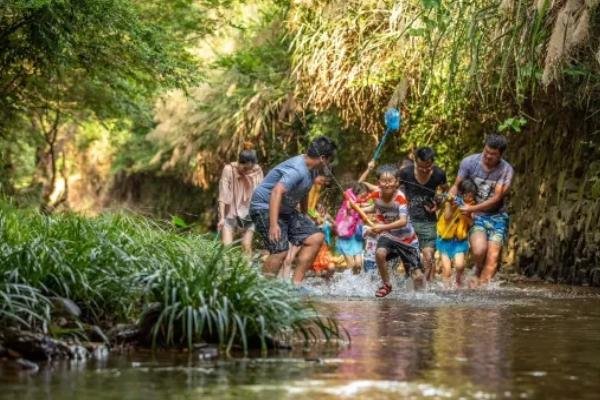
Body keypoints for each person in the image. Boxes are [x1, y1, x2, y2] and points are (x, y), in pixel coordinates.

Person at [249, 136, 337, 285]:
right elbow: (277, 191)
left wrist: (304, 215)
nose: (329, 164)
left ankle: (295, 287)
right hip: (263, 206)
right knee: (280, 251)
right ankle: (261, 290)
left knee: (316, 237)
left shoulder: (313, 170)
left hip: (286, 209)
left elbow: (304, 190)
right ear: (323, 158)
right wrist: (273, 224)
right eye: (329, 160)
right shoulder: (298, 170)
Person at [449, 134, 514, 286]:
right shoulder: (469, 162)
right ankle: (477, 270)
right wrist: (450, 200)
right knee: (479, 250)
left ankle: (483, 294)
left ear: (501, 154)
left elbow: (497, 197)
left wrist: (472, 207)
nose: (488, 156)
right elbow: (457, 186)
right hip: (476, 217)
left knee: (493, 258)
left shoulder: (506, 170)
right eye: (486, 152)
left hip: (497, 216)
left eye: (493, 154)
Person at [361, 164, 424, 297]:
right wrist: (354, 207)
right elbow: (376, 207)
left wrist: (380, 227)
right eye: (384, 181)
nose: (387, 184)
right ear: (378, 183)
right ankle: (387, 284)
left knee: (416, 277)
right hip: (388, 236)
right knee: (380, 253)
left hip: (407, 240)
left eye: (390, 181)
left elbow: (403, 221)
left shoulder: (400, 197)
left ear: (397, 182)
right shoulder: (376, 195)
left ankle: (419, 295)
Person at [398, 147, 448, 281]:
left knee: (429, 255)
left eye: (428, 167)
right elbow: (392, 191)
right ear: (415, 161)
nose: (425, 170)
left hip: (428, 221)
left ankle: (426, 287)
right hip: (408, 221)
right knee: (409, 257)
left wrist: (438, 203)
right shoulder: (405, 173)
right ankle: (411, 282)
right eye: (421, 167)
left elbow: (444, 192)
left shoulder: (439, 174)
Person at [217, 145, 263, 255]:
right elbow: (223, 194)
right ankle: (226, 271)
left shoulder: (257, 171)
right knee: (226, 246)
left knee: (246, 245)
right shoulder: (229, 170)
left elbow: (260, 193)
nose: (247, 171)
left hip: (248, 213)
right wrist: (222, 217)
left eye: (250, 168)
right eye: (245, 168)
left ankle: (246, 271)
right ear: (239, 163)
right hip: (229, 213)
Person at [436, 179, 477, 287]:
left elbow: (472, 223)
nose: (470, 198)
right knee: (447, 269)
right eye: (467, 195)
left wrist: (467, 213)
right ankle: (446, 288)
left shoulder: (472, 206)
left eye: (472, 196)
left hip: (459, 242)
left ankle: (458, 282)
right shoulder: (451, 203)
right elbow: (447, 217)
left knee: (460, 266)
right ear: (461, 194)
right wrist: (449, 203)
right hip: (444, 241)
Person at [334, 182, 368, 274]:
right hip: (345, 236)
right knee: (351, 264)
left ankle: (356, 283)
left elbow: (360, 182)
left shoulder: (360, 202)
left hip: (356, 236)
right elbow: (350, 207)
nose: (364, 198)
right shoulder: (349, 199)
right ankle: (347, 284)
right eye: (362, 195)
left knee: (358, 264)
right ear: (356, 193)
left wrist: (368, 170)